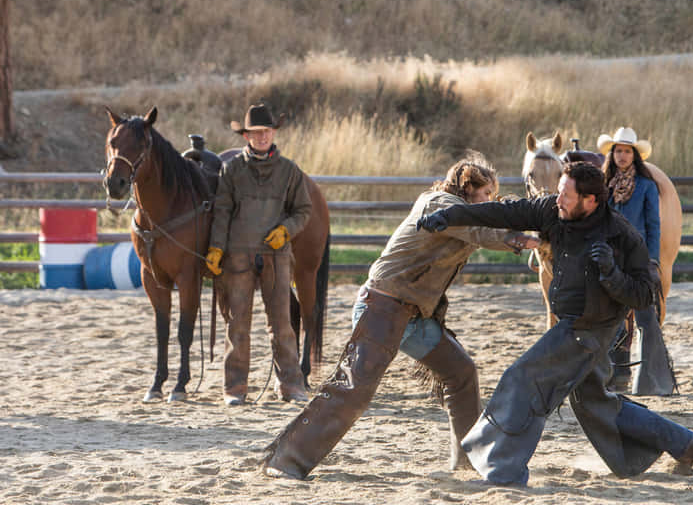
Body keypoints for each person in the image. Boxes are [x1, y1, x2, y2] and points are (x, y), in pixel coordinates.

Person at [416, 162, 693, 486]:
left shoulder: (621, 235)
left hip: (591, 330)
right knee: (594, 403)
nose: (558, 200)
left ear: (590, 201)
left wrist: (612, 275)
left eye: (567, 196)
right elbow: (504, 213)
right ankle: (685, 444)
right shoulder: (551, 211)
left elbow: (643, 295)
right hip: (573, 322)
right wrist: (451, 216)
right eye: (559, 193)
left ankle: (501, 471)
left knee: (523, 378)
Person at [261, 155, 540, 479]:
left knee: (461, 372)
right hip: (382, 308)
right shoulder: (439, 205)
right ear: (469, 188)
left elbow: (482, 226)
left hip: (413, 316)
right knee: (352, 390)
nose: (490, 202)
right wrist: (520, 238)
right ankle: (286, 460)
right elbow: (481, 230)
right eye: (487, 194)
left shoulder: (462, 213)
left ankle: (468, 459)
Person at [206, 102, 313, 406]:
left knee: (281, 324)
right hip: (237, 257)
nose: (262, 136)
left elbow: (304, 210)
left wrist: (286, 230)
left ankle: (291, 386)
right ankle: (235, 389)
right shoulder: (232, 170)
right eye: (256, 132)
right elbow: (223, 212)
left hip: (276, 257)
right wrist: (216, 248)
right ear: (247, 136)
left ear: (273, 133)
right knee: (237, 323)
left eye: (266, 131)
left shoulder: (289, 171)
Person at [597, 127, 674, 395]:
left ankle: (651, 378)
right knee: (611, 316)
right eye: (618, 151)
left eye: (627, 151)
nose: (622, 156)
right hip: (610, 258)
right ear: (612, 154)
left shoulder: (646, 186)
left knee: (644, 316)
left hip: (637, 257)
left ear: (634, 156)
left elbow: (654, 225)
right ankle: (616, 374)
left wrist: (652, 260)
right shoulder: (603, 185)